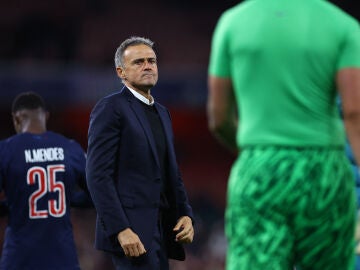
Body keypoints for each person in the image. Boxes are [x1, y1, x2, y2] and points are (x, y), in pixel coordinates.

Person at [207, 1, 360, 269]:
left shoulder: (232, 22)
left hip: (260, 165)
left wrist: (255, 151)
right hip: (324, 168)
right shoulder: (343, 26)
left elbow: (219, 119)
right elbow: (354, 113)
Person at [86, 36, 194, 270]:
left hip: (162, 230)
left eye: (152, 61)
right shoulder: (110, 108)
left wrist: (185, 214)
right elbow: (97, 175)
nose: (148, 66)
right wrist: (120, 229)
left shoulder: (162, 113)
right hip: (131, 232)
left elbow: (171, 172)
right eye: (138, 62)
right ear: (121, 72)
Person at [0, 91, 91, 269]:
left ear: (17, 118)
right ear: (46, 116)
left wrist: (10, 206)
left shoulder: (5, 151)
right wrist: (70, 201)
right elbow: (98, 195)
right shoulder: (71, 148)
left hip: (20, 258)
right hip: (62, 257)